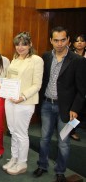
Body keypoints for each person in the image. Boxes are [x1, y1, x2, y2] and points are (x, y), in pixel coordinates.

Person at [33, 26, 85, 182]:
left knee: (64, 142)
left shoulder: (78, 60)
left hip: (67, 109)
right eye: (56, 40)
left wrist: (75, 109)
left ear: (68, 40)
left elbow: (82, 89)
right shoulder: (46, 56)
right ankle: (42, 165)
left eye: (63, 40)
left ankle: (60, 171)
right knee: (44, 138)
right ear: (51, 41)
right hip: (46, 105)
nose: (60, 43)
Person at [2, 32, 44, 175]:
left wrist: (23, 96)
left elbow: (37, 84)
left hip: (25, 103)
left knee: (21, 133)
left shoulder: (36, 60)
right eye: (17, 44)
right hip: (10, 100)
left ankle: (22, 163)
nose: (20, 47)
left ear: (30, 44)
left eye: (24, 44)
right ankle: (14, 158)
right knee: (12, 131)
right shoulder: (14, 59)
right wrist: (2, 86)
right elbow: (9, 78)